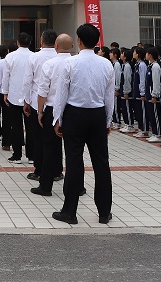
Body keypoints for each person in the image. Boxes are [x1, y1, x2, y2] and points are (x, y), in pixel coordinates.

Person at [51, 24, 114, 225]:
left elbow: (62, 94)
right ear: (96, 42)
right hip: (97, 114)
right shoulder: (106, 64)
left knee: (74, 163)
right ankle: (104, 212)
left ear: (79, 40)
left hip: (74, 115)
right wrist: (108, 120)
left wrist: (58, 119)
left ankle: (69, 212)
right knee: (101, 164)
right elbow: (109, 96)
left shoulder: (71, 63)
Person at [32, 33, 74, 197]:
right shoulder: (75, 63)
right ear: (71, 46)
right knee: (73, 151)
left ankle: (46, 186)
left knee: (49, 148)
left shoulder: (49, 64)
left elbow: (42, 91)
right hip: (72, 109)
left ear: (56, 46)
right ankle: (77, 186)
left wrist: (40, 111)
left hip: (50, 108)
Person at [22, 30, 57, 177]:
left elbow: (27, 81)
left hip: (38, 104)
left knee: (38, 139)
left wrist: (25, 101)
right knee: (56, 141)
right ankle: (56, 170)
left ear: (41, 41)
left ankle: (39, 170)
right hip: (57, 105)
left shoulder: (34, 57)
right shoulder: (61, 58)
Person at [1, 33, 33, 164]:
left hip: (14, 95)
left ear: (18, 42)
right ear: (29, 43)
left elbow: (6, 77)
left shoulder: (10, 57)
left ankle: (17, 155)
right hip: (29, 97)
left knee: (16, 125)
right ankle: (32, 155)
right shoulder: (33, 56)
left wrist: (5, 92)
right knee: (30, 127)